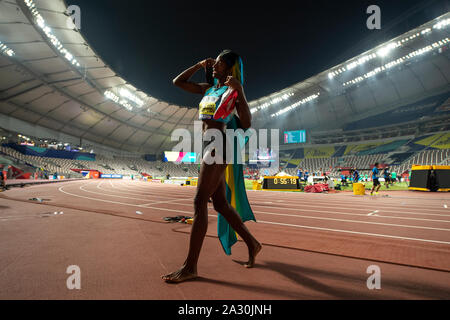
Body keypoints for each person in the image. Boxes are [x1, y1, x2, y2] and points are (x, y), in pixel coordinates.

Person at [162, 50, 261, 283]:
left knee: (199, 201)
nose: (214, 66)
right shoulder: (209, 89)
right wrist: (198, 64)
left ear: (228, 68)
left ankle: (190, 266)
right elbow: (178, 82)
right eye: (213, 63)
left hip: (220, 146)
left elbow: (246, 123)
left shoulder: (232, 91)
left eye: (218, 63)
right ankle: (253, 244)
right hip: (207, 145)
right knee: (220, 204)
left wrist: (241, 90)